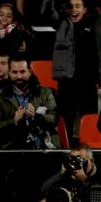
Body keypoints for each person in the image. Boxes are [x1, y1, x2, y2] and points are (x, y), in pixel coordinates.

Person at [52, 0, 100, 147]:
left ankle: (90, 154)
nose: (74, 9)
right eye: (70, 6)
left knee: (89, 118)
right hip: (67, 81)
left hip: (88, 81)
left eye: (78, 6)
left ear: (85, 9)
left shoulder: (95, 23)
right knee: (65, 119)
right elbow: (48, 10)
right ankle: (65, 152)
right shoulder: (61, 22)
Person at [0, 53, 59, 149]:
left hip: (44, 147)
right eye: (14, 72)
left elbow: (54, 118)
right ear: (9, 73)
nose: (19, 76)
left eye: (22, 72)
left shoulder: (45, 92)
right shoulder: (0, 98)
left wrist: (37, 117)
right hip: (13, 148)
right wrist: (14, 120)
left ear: (29, 72)